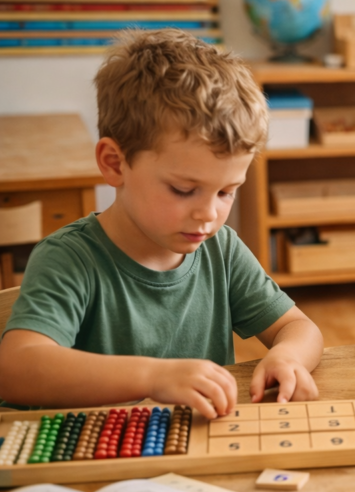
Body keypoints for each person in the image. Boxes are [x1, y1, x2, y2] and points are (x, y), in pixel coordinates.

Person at [0, 29, 324, 418]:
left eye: (226, 192)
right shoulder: (69, 259)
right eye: (184, 189)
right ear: (115, 164)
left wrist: (287, 356)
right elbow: (17, 369)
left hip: (183, 456)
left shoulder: (219, 248)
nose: (209, 214)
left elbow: (300, 328)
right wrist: (152, 377)